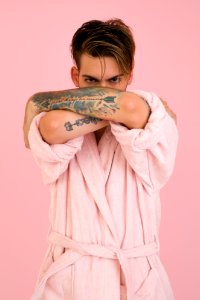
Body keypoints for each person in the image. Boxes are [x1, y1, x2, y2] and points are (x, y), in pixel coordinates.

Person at [23, 18, 178, 300]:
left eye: (114, 80)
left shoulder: (154, 120)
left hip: (135, 280)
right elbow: (55, 128)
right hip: (70, 282)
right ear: (75, 76)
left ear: (130, 74)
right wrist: (113, 111)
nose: (103, 90)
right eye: (91, 81)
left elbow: (130, 107)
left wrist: (38, 100)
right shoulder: (150, 116)